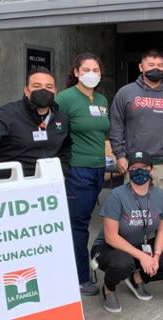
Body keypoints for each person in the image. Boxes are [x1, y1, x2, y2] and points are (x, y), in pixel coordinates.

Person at [91, 151, 163, 313]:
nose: (139, 171)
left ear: (151, 171)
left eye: (144, 167)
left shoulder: (159, 195)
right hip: (109, 248)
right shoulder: (116, 195)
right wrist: (143, 257)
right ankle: (109, 288)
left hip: (140, 245)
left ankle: (137, 277)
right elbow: (111, 237)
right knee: (123, 263)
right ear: (128, 170)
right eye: (134, 168)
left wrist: (155, 256)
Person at [54, 52, 110, 296]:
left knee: (85, 219)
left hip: (99, 169)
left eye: (96, 70)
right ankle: (81, 277)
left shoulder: (102, 100)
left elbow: (102, 134)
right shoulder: (65, 99)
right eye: (86, 69)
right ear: (76, 72)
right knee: (79, 224)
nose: (91, 74)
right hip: (77, 169)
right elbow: (55, 134)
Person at [109, 49, 163, 212]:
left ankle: (161, 238)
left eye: (160, 65)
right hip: (135, 164)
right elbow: (116, 125)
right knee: (132, 212)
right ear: (141, 67)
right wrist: (119, 155)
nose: (156, 68)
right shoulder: (126, 93)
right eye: (151, 64)